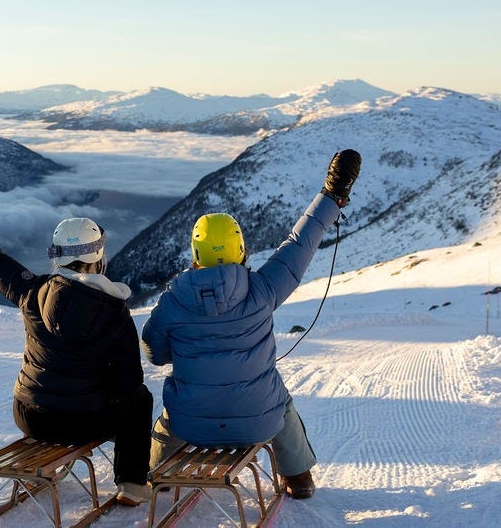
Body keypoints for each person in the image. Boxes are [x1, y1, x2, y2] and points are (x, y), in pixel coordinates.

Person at [141, 149, 361, 500]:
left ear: (195, 255)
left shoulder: (172, 302)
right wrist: (332, 194)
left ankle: (157, 475)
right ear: (240, 249)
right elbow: (299, 244)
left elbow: (153, 353)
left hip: (192, 423)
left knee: (171, 418)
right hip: (258, 421)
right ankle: (298, 478)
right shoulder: (263, 290)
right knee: (282, 406)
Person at [0, 172, 155, 506]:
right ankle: (132, 484)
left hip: (29, 415)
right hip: (83, 422)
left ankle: (58, 460)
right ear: (97, 257)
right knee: (140, 398)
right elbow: (128, 382)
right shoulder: (113, 310)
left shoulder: (31, 291)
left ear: (57, 256)